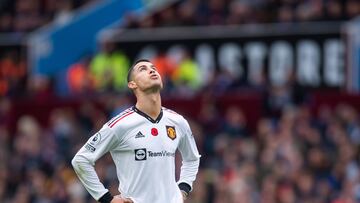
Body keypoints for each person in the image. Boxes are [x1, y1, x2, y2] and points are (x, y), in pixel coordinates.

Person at [71, 59, 201, 203]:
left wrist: (183, 189)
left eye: (153, 68)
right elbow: (81, 160)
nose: (152, 70)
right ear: (132, 84)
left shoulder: (177, 121)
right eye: (143, 69)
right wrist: (106, 198)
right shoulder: (120, 125)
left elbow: (192, 159)